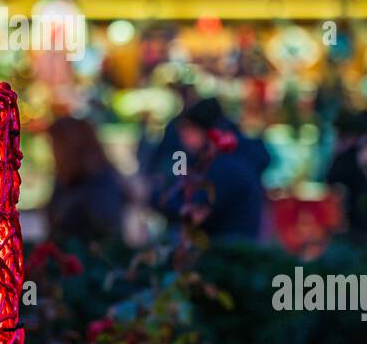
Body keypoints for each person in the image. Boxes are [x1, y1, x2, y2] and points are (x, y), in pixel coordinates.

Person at [150, 97, 268, 240]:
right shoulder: (224, 159)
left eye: (188, 134)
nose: (184, 141)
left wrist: (154, 198)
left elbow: (193, 214)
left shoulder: (224, 168)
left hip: (228, 253)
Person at [46, 116, 126, 243]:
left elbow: (104, 229)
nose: (53, 153)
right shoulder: (64, 181)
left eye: (56, 145)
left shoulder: (101, 182)